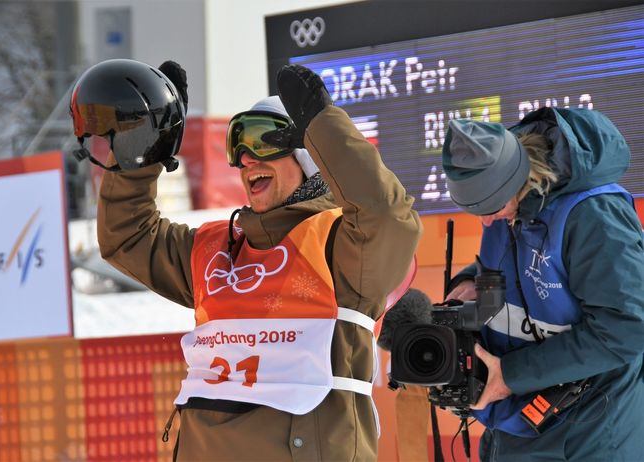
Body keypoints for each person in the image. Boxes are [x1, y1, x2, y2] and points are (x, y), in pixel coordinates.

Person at [93, 62, 422, 461]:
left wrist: (323, 125)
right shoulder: (214, 250)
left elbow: (389, 217)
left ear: (308, 158)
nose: (246, 159)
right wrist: (144, 145)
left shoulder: (344, 247)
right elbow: (127, 236)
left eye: (263, 140)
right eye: (237, 144)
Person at [441, 108, 644, 460]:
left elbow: (626, 326)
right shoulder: (507, 208)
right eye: (476, 211)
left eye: (493, 207)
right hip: (515, 424)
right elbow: (514, 266)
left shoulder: (594, 215)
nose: (487, 220)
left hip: (589, 430)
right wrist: (471, 280)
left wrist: (512, 375)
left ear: (519, 179)